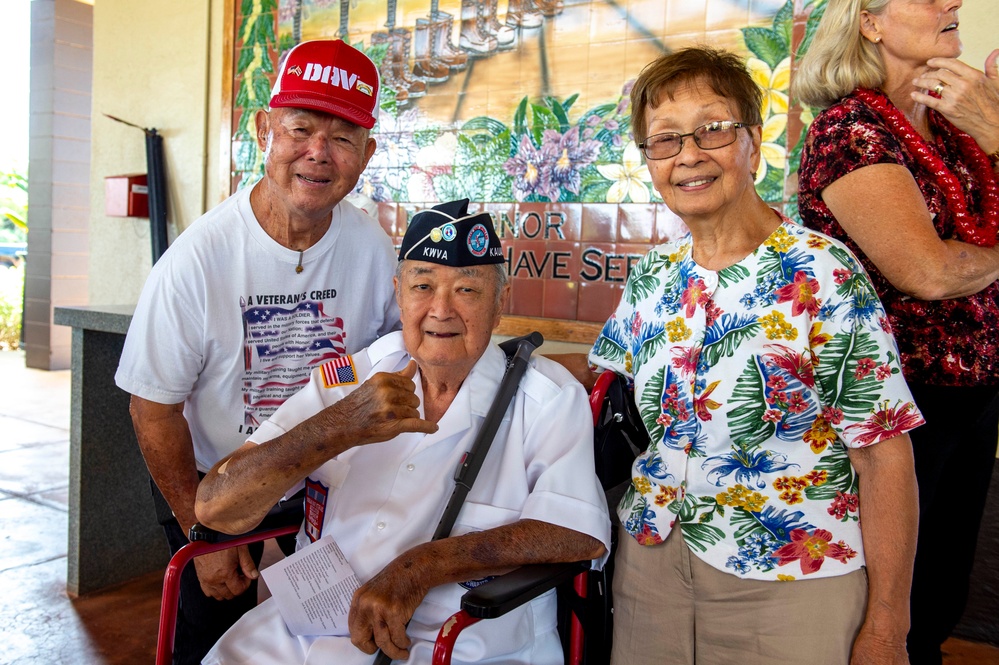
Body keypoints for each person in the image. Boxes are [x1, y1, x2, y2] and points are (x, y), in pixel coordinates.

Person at [580, 47, 923, 664]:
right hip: (652, 570)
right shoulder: (653, 276)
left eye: (712, 129)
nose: (689, 154)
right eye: (664, 140)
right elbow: (599, 381)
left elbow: (884, 456)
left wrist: (887, 627)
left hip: (793, 580)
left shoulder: (822, 273)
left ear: (751, 142)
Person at [194, 198, 611, 665]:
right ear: (398, 293)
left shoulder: (547, 398)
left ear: (500, 303)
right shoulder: (351, 380)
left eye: (467, 291)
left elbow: (577, 532)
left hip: (461, 643)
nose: (441, 310)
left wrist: (421, 566)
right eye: (423, 286)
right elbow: (215, 506)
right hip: (304, 635)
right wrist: (338, 428)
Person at [114, 40, 401, 664]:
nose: (318, 153)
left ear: (366, 154)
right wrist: (202, 530)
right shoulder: (197, 262)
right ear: (265, 130)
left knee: (319, 648)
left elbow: (394, 359)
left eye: (343, 137)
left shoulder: (373, 249)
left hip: (326, 505)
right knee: (213, 646)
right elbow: (152, 409)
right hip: (222, 502)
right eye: (301, 128)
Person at [794, 2, 999, 662]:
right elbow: (928, 271)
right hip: (891, 411)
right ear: (870, 21)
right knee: (885, 614)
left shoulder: (957, 130)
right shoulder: (848, 129)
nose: (952, 2)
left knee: (939, 597)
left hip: (972, 398)